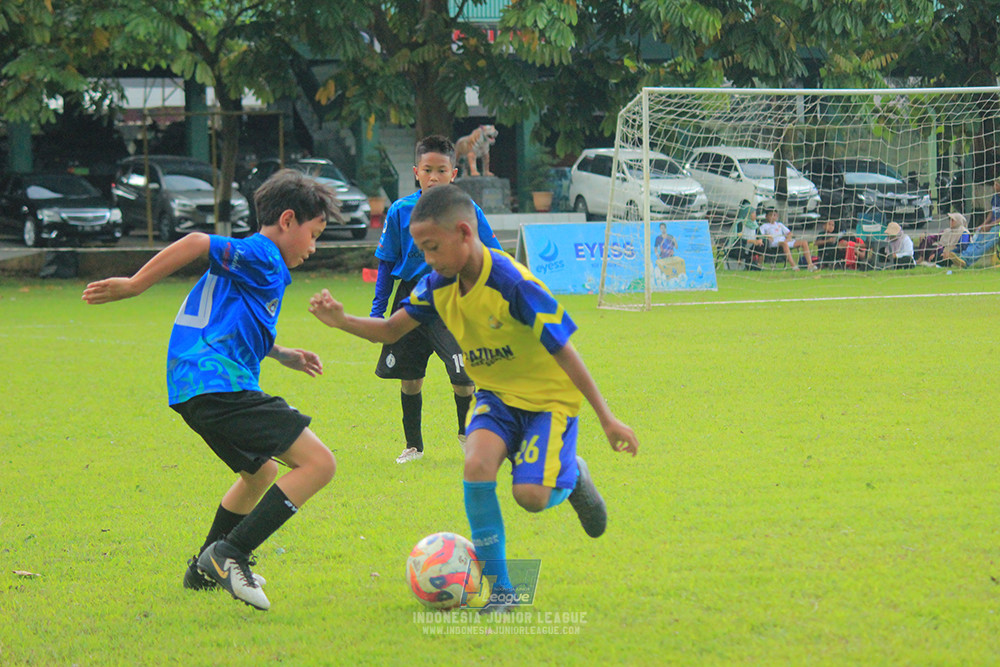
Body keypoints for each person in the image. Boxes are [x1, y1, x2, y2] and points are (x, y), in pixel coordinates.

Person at [309, 184, 639, 611]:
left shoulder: (513, 283)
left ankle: (573, 475)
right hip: (496, 398)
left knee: (530, 498)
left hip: (547, 402)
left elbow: (565, 350)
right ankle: (501, 591)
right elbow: (391, 330)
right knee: (476, 466)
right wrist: (342, 321)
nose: (428, 259)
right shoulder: (436, 285)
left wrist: (607, 419)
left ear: (464, 233)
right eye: (421, 250)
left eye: (433, 248)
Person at [81, 169, 340, 611]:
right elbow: (198, 241)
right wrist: (135, 284)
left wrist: (281, 354)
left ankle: (201, 570)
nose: (313, 248)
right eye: (314, 235)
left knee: (260, 474)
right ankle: (229, 553)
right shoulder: (262, 253)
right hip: (217, 384)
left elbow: (233, 320)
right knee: (319, 464)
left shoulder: (257, 264)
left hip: (194, 387)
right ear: (288, 220)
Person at [370, 135, 504, 463]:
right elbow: (386, 263)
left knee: (463, 378)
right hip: (410, 299)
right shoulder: (400, 211)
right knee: (410, 377)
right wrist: (377, 311)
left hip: (452, 298)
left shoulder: (467, 211)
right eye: (427, 170)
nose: (433, 177)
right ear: (416, 172)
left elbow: (493, 255)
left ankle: (467, 436)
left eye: (441, 171)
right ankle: (413, 446)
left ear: (453, 174)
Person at [758, 205, 818, 271]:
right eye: (771, 215)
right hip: (774, 243)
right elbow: (760, 235)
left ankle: (810, 264)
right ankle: (793, 266)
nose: (773, 217)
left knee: (804, 242)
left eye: (774, 215)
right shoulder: (764, 226)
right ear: (766, 216)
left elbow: (789, 233)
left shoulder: (779, 224)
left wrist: (788, 238)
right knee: (784, 244)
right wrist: (767, 236)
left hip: (784, 241)